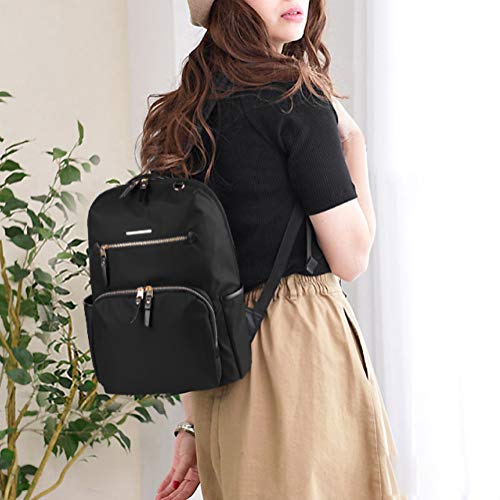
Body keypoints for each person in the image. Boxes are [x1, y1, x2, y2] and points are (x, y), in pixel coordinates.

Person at [150, 0, 406, 498]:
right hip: (299, 351)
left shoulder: (186, 113)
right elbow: (352, 257)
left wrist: (191, 425)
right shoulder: (294, 97)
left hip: (219, 369)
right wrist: (354, 141)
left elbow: (188, 285)